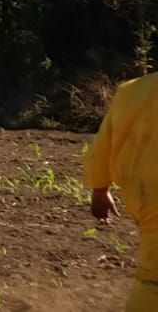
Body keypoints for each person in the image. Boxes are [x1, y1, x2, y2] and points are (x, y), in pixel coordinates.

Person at [85, 72, 158, 310]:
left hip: (144, 196)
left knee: (152, 275)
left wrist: (99, 189)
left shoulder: (131, 91)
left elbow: (104, 141)